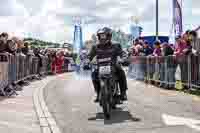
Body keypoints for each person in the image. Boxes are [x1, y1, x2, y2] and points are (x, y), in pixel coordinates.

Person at [88, 27, 128, 102]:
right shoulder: (95, 46)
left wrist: (123, 59)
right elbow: (89, 56)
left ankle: (123, 92)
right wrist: (87, 61)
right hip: (100, 66)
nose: (102, 38)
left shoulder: (116, 45)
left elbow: (123, 54)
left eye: (104, 35)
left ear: (109, 36)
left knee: (121, 72)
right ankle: (98, 93)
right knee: (94, 74)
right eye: (101, 36)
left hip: (113, 65)